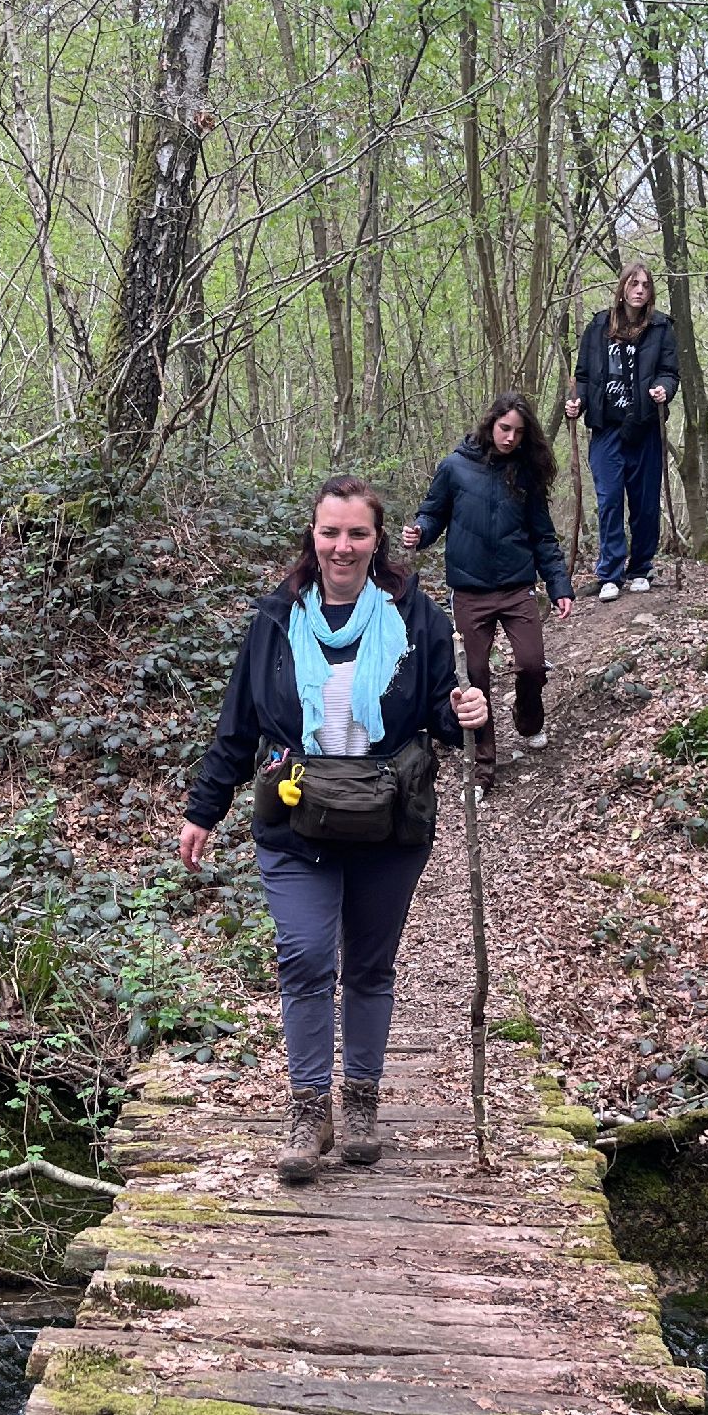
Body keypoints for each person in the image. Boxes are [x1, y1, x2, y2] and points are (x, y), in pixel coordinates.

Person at [179, 480, 487, 1184]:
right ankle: (308, 1109)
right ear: (312, 537)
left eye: (356, 534)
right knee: (306, 956)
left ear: (378, 540)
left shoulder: (417, 618)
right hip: (296, 821)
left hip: (390, 822)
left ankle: (362, 1105)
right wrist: (203, 809)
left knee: (371, 966)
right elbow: (239, 724)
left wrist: (467, 710)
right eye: (330, 532)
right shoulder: (276, 618)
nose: (342, 547)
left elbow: (442, 716)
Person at [401, 391, 572, 795]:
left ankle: (528, 720)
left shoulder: (526, 473)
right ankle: (482, 769)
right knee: (474, 678)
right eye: (504, 428)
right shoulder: (455, 467)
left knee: (532, 664)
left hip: (517, 588)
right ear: (491, 424)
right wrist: (420, 532)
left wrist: (558, 585)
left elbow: (543, 536)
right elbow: (433, 513)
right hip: (470, 592)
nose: (510, 437)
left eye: (518, 432)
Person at [566, 263, 678, 600]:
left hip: (644, 426)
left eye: (645, 284)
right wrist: (577, 402)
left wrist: (663, 389)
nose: (639, 290)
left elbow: (670, 372)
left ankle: (640, 568)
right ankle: (610, 573)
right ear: (622, 288)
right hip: (606, 428)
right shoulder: (599, 326)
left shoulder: (660, 327)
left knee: (645, 503)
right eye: (633, 283)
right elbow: (583, 376)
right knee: (610, 499)